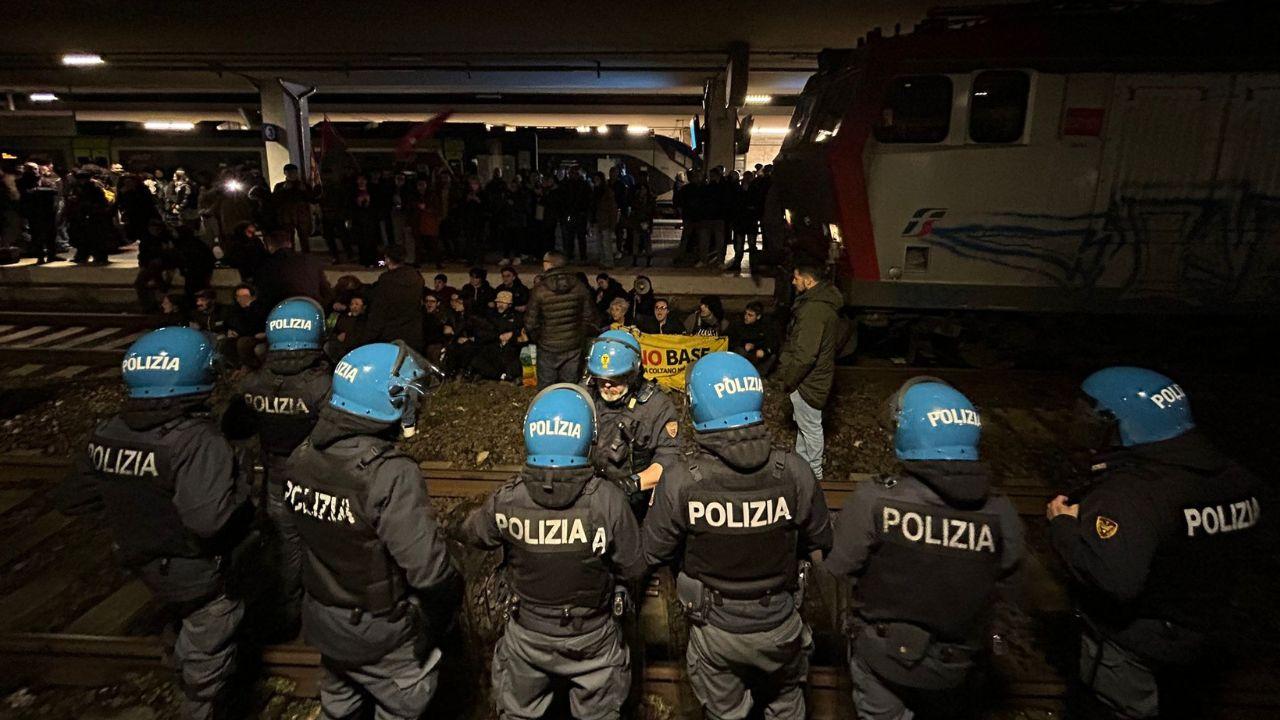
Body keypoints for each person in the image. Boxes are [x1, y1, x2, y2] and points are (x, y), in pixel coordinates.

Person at [55, 327, 253, 720]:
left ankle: (176, 662)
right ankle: (197, 703)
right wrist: (242, 491)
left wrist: (134, 514)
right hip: (195, 566)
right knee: (210, 632)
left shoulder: (108, 432)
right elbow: (209, 521)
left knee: (178, 613)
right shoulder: (196, 440)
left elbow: (72, 498)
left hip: (141, 557)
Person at [1046, 367, 1265, 720]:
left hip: (1137, 641)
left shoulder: (1131, 494)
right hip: (1205, 630)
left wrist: (1064, 528)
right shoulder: (1235, 478)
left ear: (1118, 424)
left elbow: (1113, 581)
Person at [643, 351, 833, 720]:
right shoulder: (794, 472)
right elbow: (822, 542)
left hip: (714, 629)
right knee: (787, 703)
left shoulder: (682, 480)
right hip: (782, 624)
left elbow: (651, 551)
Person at [825, 378, 1024, 720]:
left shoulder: (876, 500)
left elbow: (837, 566)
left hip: (882, 657)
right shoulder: (1000, 511)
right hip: (957, 666)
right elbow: (1010, 584)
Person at [286, 341, 459, 720]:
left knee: (340, 704)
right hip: (381, 631)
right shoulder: (389, 473)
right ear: (392, 401)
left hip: (323, 619)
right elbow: (428, 572)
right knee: (405, 704)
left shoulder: (303, 454)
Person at [464, 384, 645, 720]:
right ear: (587, 438)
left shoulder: (507, 498)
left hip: (526, 636)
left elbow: (474, 533)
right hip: (594, 637)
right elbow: (634, 567)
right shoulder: (607, 499)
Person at [221, 298, 331, 637]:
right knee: (325, 547)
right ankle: (324, 617)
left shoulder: (253, 383)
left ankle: (288, 615)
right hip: (318, 478)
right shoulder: (322, 384)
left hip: (276, 476)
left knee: (287, 546)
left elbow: (235, 428)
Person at [581, 330, 678, 519]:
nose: (607, 386)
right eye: (601, 379)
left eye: (616, 379)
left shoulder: (656, 405)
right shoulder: (585, 394)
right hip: (587, 495)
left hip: (633, 502)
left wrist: (631, 484)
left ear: (633, 373)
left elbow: (668, 460)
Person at [775, 261, 841, 481]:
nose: (793, 282)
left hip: (808, 382)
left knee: (811, 429)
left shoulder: (813, 310)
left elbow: (805, 354)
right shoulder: (822, 305)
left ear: (808, 279)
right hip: (813, 379)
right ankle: (803, 471)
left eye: (796, 277)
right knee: (805, 428)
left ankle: (814, 475)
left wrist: (789, 380)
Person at [526, 251, 597, 388]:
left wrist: (540, 338)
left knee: (546, 389)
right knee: (569, 387)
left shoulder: (540, 289)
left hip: (548, 346)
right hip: (573, 346)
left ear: (548, 265)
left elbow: (531, 323)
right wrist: (577, 336)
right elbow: (589, 317)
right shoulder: (579, 286)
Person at [360, 245, 425, 349]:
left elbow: (379, 311)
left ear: (388, 258)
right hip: (413, 334)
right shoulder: (416, 276)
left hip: (391, 337)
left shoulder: (387, 281)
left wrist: (367, 338)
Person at [255, 230, 333, 311]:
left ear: (269, 246)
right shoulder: (310, 260)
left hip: (282, 313)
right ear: (290, 243)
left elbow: (263, 298)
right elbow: (326, 291)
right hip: (313, 309)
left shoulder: (266, 267)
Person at [471, 289, 525, 382]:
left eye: (503, 302)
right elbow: (481, 333)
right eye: (499, 302)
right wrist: (498, 337)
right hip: (491, 347)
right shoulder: (489, 316)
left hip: (510, 349)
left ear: (510, 304)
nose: (500, 305)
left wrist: (512, 335)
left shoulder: (517, 317)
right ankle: (499, 376)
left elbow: (522, 333)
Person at [270, 163, 319, 250]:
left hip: (301, 215)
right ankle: (291, 256)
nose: (292, 174)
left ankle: (306, 255)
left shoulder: (304, 185)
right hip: (287, 216)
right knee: (289, 238)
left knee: (304, 237)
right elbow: (275, 200)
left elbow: (312, 199)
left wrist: (304, 191)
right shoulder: (280, 186)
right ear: (285, 173)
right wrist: (283, 190)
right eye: (289, 172)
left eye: (294, 172)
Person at [728, 301, 782, 374]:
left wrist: (764, 351)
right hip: (742, 354)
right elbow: (729, 338)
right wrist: (743, 345)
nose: (746, 317)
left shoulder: (765, 326)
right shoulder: (738, 323)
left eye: (750, 315)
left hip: (757, 355)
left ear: (758, 316)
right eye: (745, 313)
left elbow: (773, 343)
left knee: (772, 357)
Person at [224, 283, 267, 367]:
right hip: (244, 335)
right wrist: (230, 331)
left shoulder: (260, 308)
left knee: (243, 343)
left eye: (245, 296)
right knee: (225, 343)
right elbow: (230, 323)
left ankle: (250, 368)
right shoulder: (235, 310)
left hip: (259, 335)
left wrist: (250, 307)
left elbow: (256, 325)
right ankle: (236, 368)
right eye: (239, 297)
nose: (242, 299)